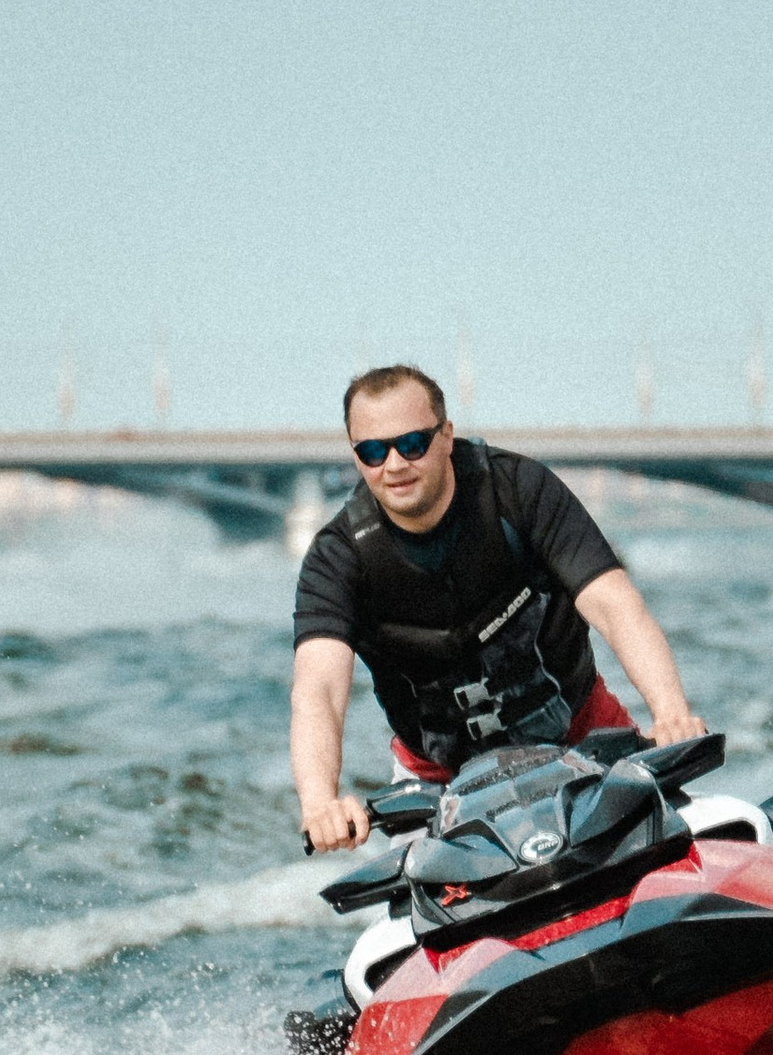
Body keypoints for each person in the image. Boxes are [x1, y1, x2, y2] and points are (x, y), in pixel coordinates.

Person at [292, 364, 708, 853]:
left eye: (412, 444)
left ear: (447, 436)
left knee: (686, 846)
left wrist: (672, 713)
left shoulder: (519, 490)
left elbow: (616, 606)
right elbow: (318, 687)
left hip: (585, 737)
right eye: (373, 451)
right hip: (436, 786)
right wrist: (320, 803)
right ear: (356, 457)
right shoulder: (336, 558)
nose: (394, 465)